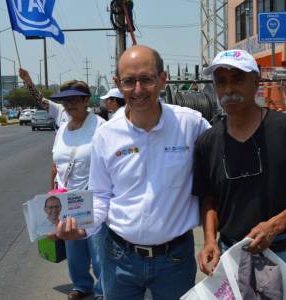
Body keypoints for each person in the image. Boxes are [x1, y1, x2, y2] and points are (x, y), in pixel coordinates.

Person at [55, 45, 210, 300]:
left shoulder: (191, 125)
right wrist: (82, 229)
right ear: (118, 83)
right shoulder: (106, 134)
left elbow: (219, 171)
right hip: (119, 259)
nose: (138, 90)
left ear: (162, 78)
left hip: (176, 259)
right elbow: (101, 196)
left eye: (146, 79)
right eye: (129, 82)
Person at [193, 49, 286, 278]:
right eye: (221, 82)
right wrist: (209, 240)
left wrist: (275, 225)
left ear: (256, 81)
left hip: (281, 256)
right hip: (231, 254)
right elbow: (209, 198)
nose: (229, 89)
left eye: (237, 79)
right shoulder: (208, 141)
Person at [49, 81, 107, 300]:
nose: (69, 104)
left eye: (75, 99)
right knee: (73, 247)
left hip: (94, 198)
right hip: (67, 199)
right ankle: (82, 284)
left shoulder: (101, 127)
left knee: (98, 249)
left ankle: (102, 290)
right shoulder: (62, 129)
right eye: (65, 100)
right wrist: (52, 195)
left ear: (86, 100)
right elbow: (56, 165)